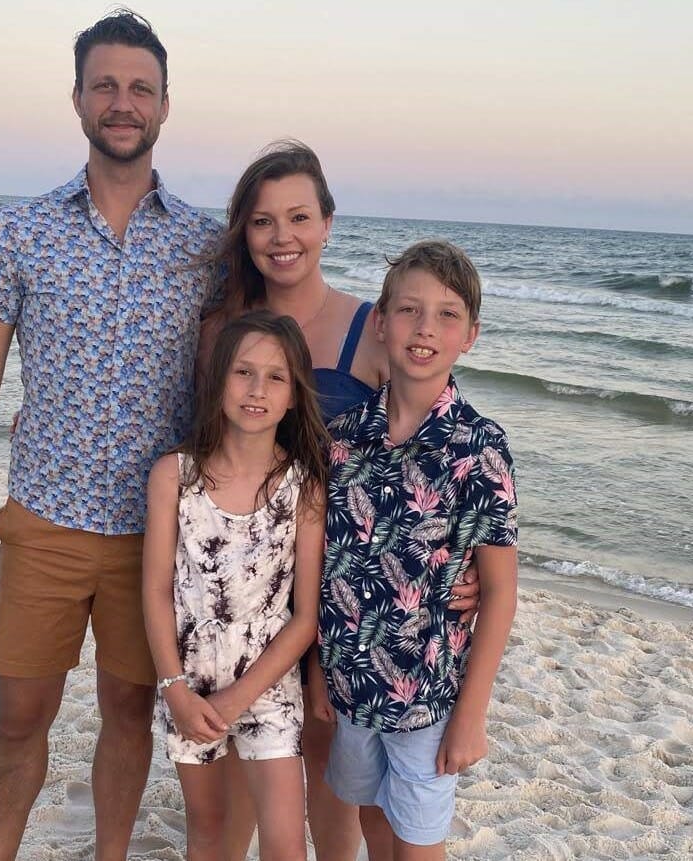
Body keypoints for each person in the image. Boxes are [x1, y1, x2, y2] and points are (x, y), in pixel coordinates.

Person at [0, 10, 220, 861]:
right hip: (44, 517)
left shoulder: (205, 246)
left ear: (164, 105)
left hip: (150, 535)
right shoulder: (19, 232)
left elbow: (233, 387)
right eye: (105, 86)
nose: (121, 103)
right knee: (22, 711)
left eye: (139, 88)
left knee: (127, 710)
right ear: (78, 99)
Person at [201, 142, 481, 861]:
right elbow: (199, 436)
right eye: (262, 221)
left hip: (346, 586)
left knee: (329, 753)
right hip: (248, 576)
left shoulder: (374, 327)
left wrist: (471, 563)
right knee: (241, 749)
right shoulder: (225, 329)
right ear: (244, 231)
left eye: (298, 216)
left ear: (327, 223)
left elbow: (443, 442)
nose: (281, 236)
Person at [309, 240, 519, 860]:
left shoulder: (478, 446)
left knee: (418, 844)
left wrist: (471, 715)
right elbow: (323, 565)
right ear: (380, 321)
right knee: (373, 823)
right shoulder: (343, 440)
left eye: (447, 315)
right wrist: (319, 669)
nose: (425, 328)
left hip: (428, 699)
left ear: (470, 335)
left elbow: (500, 589)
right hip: (350, 688)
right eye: (408, 310)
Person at [143, 310, 328, 861]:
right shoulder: (174, 475)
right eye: (243, 372)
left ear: (294, 396)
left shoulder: (304, 487)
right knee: (209, 830)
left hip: (268, 687)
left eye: (276, 377)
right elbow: (154, 590)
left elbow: (305, 617)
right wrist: (174, 688)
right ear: (219, 380)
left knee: (285, 841)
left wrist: (240, 696)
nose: (257, 390)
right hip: (189, 685)